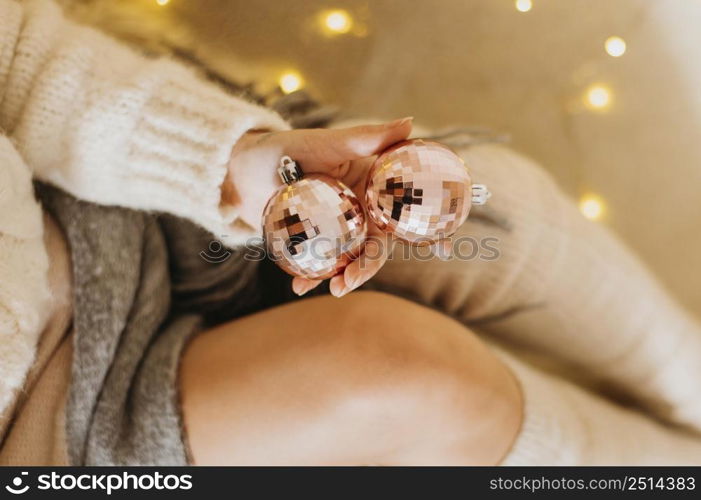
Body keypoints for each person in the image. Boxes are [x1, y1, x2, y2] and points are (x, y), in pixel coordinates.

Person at [1, 0, 701, 465]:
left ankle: (688, 373)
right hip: (60, 436)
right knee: (410, 376)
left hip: (95, 210)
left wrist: (230, 163)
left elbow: (22, 59)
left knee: (488, 206)